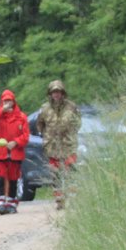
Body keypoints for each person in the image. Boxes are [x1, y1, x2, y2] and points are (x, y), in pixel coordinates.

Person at [35, 79, 82, 209]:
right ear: (50, 94)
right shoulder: (44, 108)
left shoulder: (71, 107)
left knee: (70, 170)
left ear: (63, 93)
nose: (56, 94)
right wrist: (45, 136)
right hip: (52, 146)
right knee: (55, 173)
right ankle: (59, 199)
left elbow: (78, 122)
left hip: (68, 144)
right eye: (54, 92)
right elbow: (39, 124)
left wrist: (71, 133)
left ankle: (72, 198)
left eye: (58, 92)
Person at [0, 88, 29, 215]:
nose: (8, 103)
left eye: (10, 101)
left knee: (13, 178)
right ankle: (0, 203)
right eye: (5, 101)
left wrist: (15, 142)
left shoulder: (21, 117)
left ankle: (11, 203)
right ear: (2, 101)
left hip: (15, 153)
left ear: (14, 101)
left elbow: (26, 136)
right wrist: (2, 111)